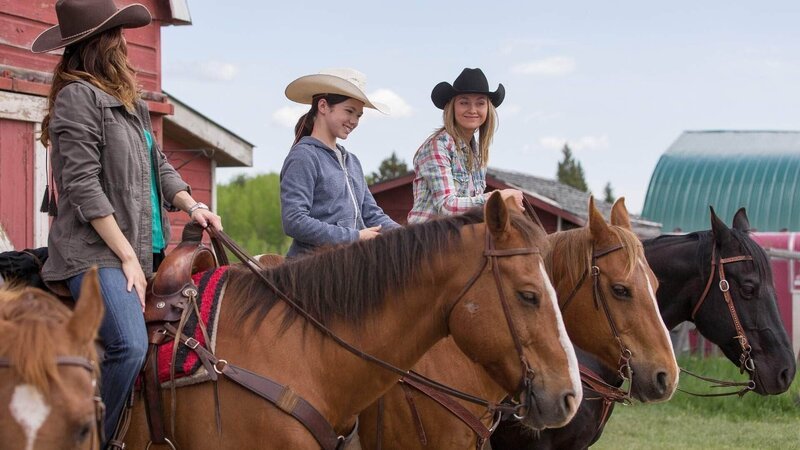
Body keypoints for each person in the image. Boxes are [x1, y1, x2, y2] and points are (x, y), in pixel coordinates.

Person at [31, 0, 222, 444]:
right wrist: (125, 259)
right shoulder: (77, 98)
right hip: (94, 256)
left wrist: (193, 206)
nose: (124, 43)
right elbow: (82, 187)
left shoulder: (129, 105)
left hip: (140, 250)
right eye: (116, 34)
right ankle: (95, 438)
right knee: (130, 345)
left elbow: (161, 167)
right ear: (98, 43)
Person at [280, 68, 400, 257]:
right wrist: (354, 237)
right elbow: (294, 220)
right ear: (323, 106)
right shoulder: (304, 156)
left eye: (359, 115)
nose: (354, 121)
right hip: (310, 269)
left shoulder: (352, 161)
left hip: (347, 268)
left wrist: (406, 235)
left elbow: (370, 214)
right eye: (349, 111)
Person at [407, 68, 523, 224]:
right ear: (452, 107)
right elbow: (447, 206)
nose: (473, 110)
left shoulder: (478, 154)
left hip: (459, 238)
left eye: (480, 103)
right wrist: (497, 198)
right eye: (464, 102)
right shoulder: (438, 146)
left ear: (488, 109)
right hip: (428, 240)